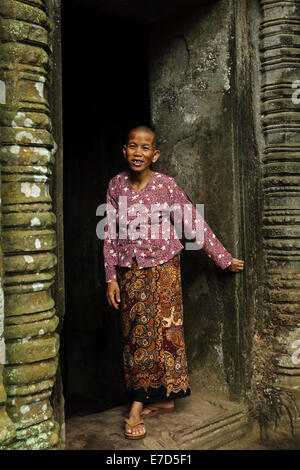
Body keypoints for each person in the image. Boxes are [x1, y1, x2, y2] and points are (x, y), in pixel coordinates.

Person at [103, 126, 244, 440]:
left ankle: (142, 406)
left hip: (164, 268)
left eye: (146, 148)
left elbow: (193, 222)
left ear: (155, 154)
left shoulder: (166, 185)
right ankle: (153, 399)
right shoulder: (116, 185)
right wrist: (111, 278)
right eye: (133, 146)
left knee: (166, 332)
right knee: (136, 337)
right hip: (131, 272)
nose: (138, 152)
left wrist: (223, 258)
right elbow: (110, 234)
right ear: (124, 150)